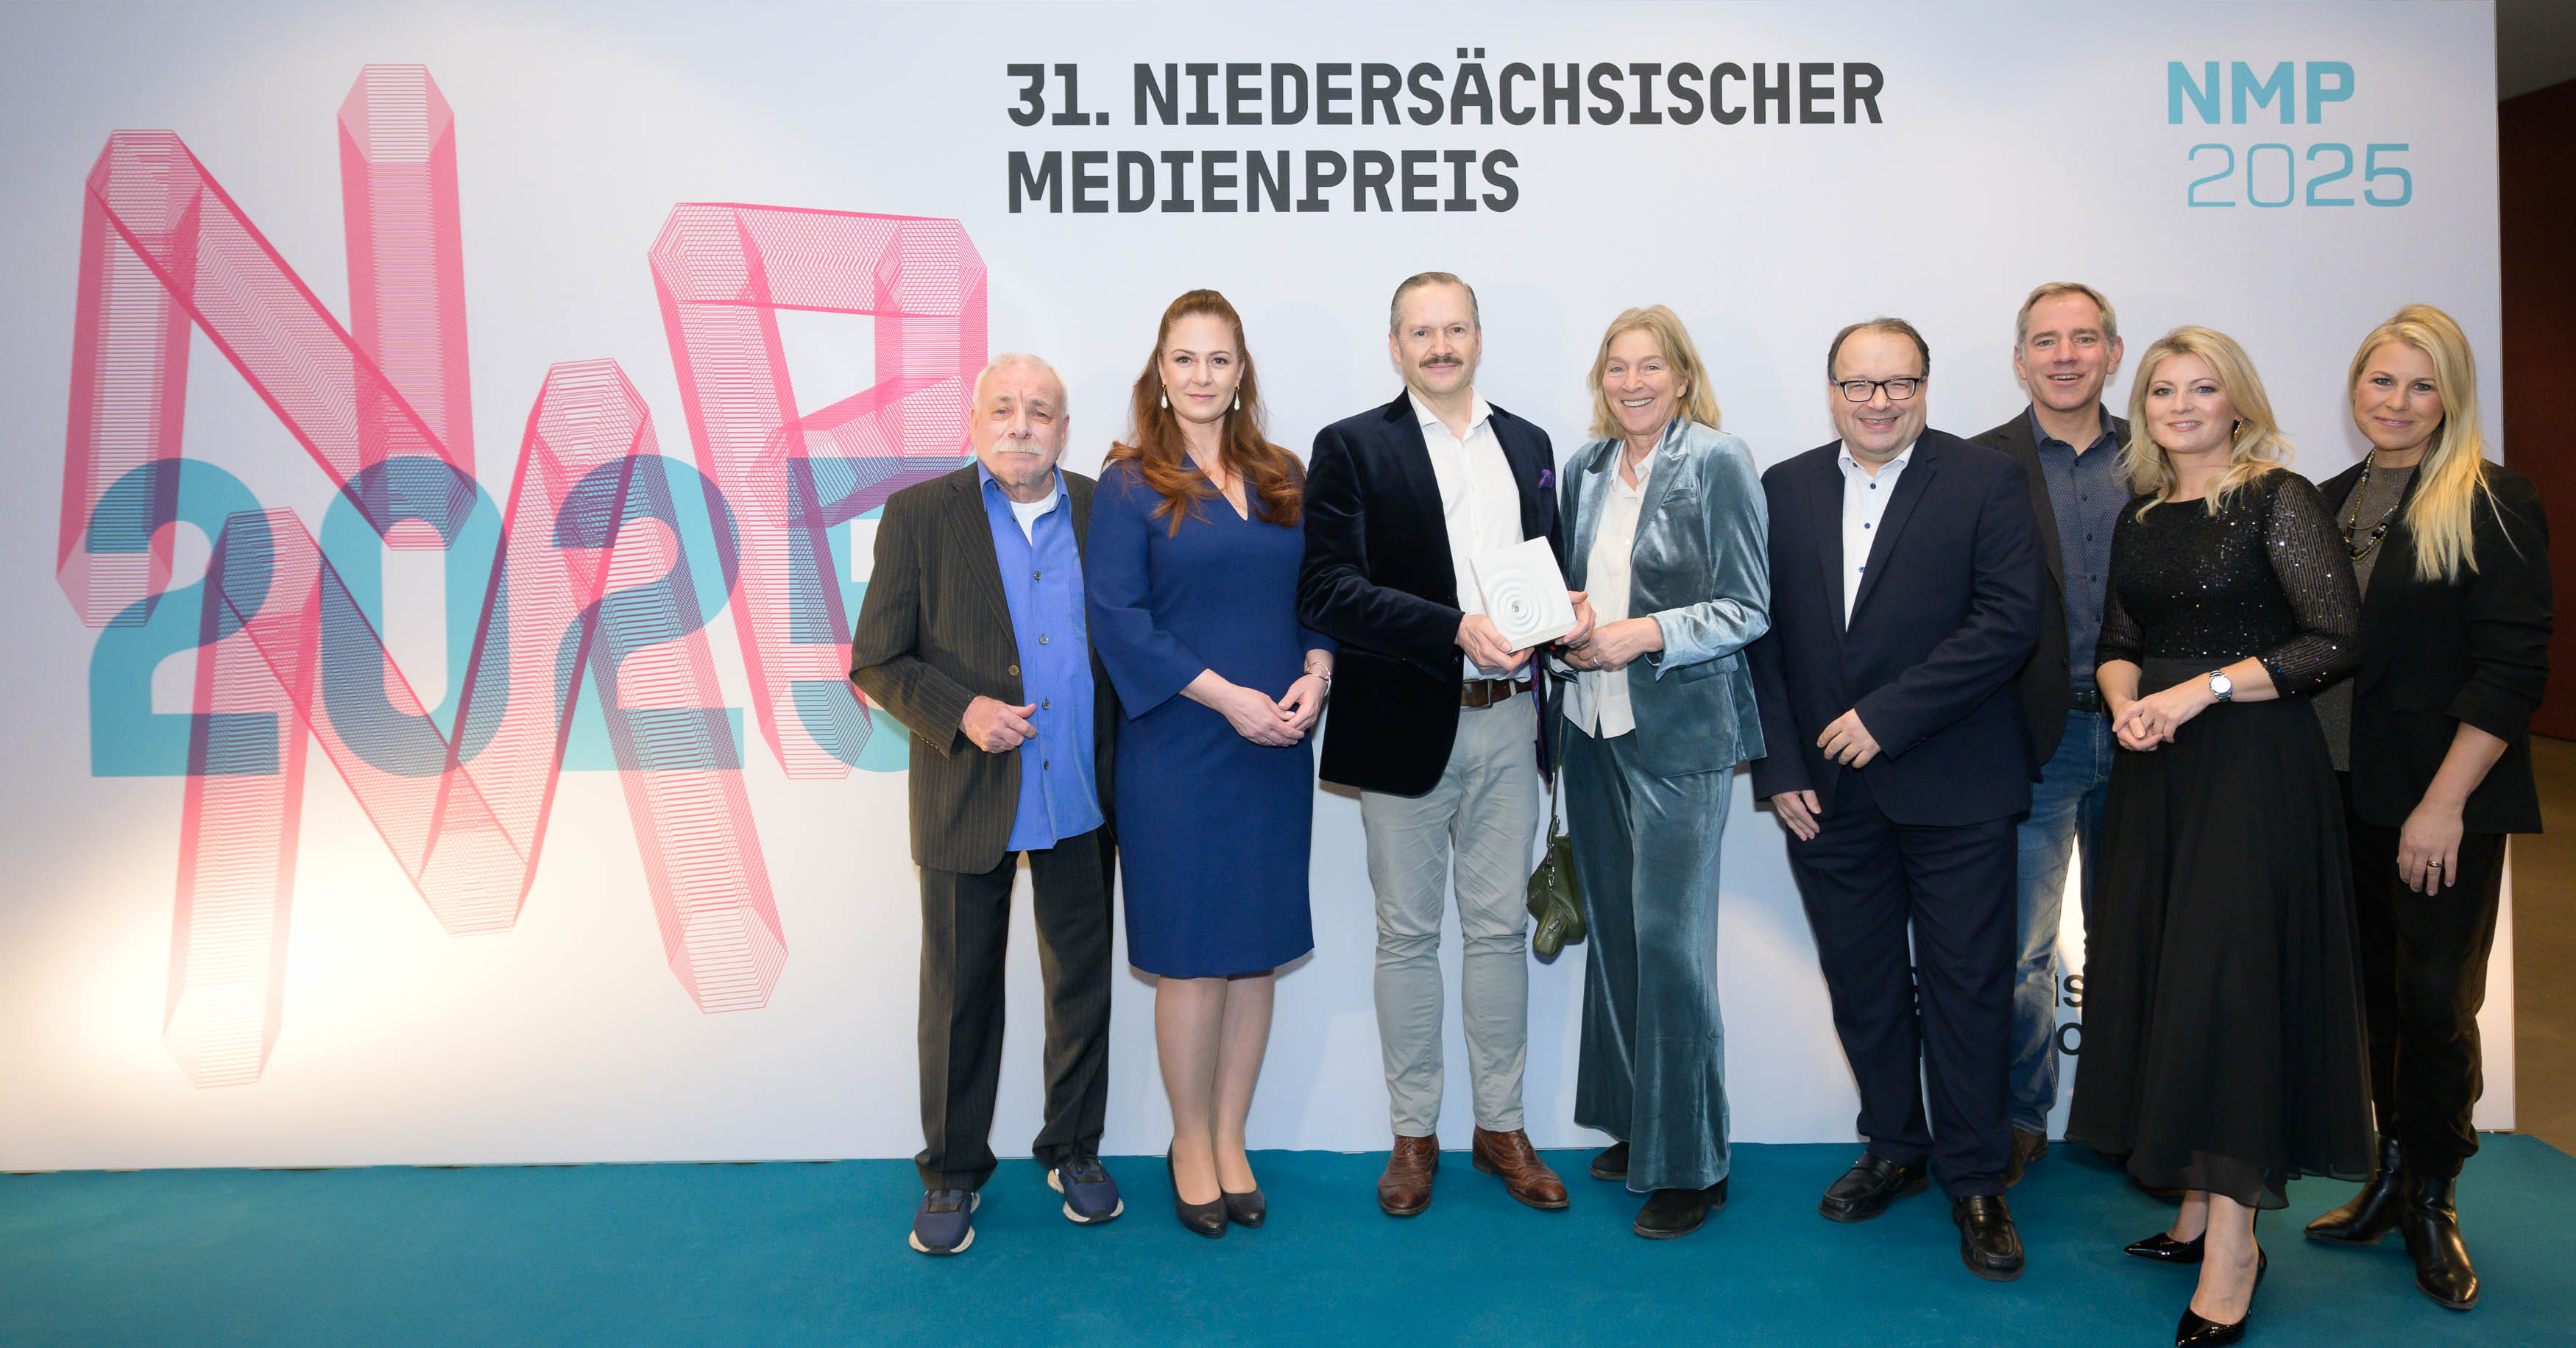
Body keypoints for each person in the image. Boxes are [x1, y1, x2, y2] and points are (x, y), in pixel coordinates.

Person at [2066, 325, 2374, 1346]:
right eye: (2162, 391)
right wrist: (2127, 705)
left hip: (2251, 771)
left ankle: (2235, 1246)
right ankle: (2198, 1205)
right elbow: (2119, 639)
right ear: (2142, 407)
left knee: (2230, 992)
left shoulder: (2276, 498)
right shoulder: (2143, 515)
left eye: (2202, 389)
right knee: (2170, 978)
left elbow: (2334, 639)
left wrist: (2199, 692)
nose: (2181, 406)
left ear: (2236, 401)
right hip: (2158, 771)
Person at [1746, 316, 2040, 1283]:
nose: (1878, 403)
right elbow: (1763, 639)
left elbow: (2009, 621)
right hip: (1824, 794)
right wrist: (1779, 765)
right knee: (1864, 983)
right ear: (1831, 390)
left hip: (1957, 782)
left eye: (1897, 383)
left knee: (1966, 986)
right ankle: (1894, 1146)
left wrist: (1887, 716)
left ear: (1923, 386)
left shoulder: (1986, 479)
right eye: (1858, 385)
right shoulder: (1783, 486)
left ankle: (1975, 1177)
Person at [1298, 271, 1590, 1217]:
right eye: (1420, 332)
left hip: (1511, 717)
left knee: (1499, 930)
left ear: (1477, 337)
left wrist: (1567, 612)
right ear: (1395, 346)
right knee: (1407, 935)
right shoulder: (1350, 445)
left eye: (1453, 328)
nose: (1438, 346)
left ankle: (1500, 1127)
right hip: (1401, 722)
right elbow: (1326, 589)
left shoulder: (1528, 443)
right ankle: (1413, 1134)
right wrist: (1451, 627)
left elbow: (1544, 570)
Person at [2301, 305, 2550, 1313]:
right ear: (2355, 387)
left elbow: (2512, 669)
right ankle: (2391, 1175)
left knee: (2436, 1002)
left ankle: (2435, 1196)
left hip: (2442, 800)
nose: (2397, 402)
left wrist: (2443, 803)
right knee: (2373, 996)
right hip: (2341, 794)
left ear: (2449, 397)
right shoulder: (2326, 501)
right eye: (2381, 380)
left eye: (2420, 384)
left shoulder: (2491, 500)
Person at [848, 354, 1125, 1257]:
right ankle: (952, 1169)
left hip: (1081, 788)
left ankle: (1073, 1149)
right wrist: (960, 710)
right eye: (1003, 408)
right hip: (967, 791)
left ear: (1063, 430)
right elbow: (876, 656)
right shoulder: (920, 515)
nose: (1021, 425)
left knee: (1079, 984)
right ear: (973, 423)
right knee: (960, 990)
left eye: (1040, 410)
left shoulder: (1103, 511)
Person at [1085, 290, 1335, 1238]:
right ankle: (1188, 1141)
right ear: (1160, 370)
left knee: (1254, 951)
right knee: (1191, 958)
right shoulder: (1127, 483)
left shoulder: (1282, 474)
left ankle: (1231, 1135)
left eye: (1218, 358)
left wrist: (1317, 671)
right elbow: (1118, 620)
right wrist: (1228, 697)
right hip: (1178, 747)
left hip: (1276, 746)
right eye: (1184, 358)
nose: (1201, 375)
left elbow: (1316, 593)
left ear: (1241, 372)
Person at [1550, 305, 1769, 1239]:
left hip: (1680, 733)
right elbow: (1573, 592)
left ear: (1681, 377)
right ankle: (1640, 1123)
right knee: (1616, 936)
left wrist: (1643, 632)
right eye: (1617, 367)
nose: (1632, 382)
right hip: (1589, 727)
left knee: (1673, 947)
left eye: (1650, 366)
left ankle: (1692, 1163)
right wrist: (1562, 632)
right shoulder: (1584, 469)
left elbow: (1747, 605)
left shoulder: (1718, 461)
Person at [1970, 282, 2129, 1185]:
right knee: (2020, 952)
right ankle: (2020, 1117)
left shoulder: (2161, 452)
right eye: (2044, 340)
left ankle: (2124, 1116)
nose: (2064, 356)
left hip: (2152, 737)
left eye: (2082, 338)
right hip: (2034, 738)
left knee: (2136, 937)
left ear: (2112, 352)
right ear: (2019, 359)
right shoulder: (1976, 464)